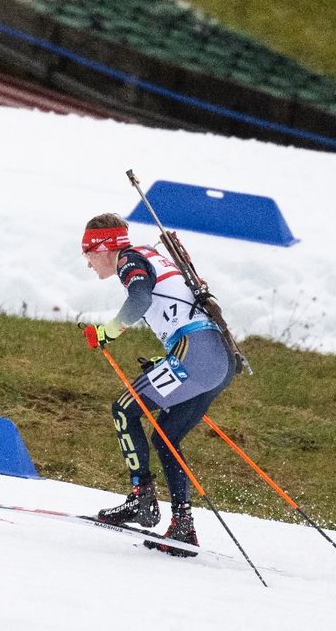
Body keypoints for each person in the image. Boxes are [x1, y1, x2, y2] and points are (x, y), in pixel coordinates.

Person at [79, 213, 235, 554]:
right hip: (218, 361)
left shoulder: (129, 259)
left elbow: (140, 299)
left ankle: (142, 499)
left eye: (87, 253)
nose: (87, 263)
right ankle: (183, 526)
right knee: (166, 436)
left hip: (195, 355)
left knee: (124, 409)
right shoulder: (152, 256)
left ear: (103, 248)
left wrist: (108, 332)